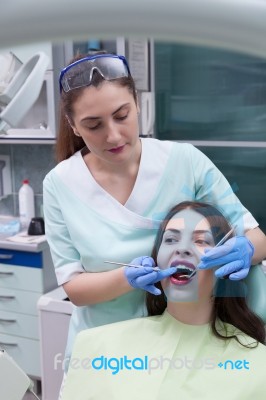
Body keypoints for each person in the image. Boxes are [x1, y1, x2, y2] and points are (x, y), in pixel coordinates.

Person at [43, 51, 266, 380]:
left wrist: (245, 249)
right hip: (107, 352)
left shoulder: (184, 162)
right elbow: (74, 287)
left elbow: (256, 237)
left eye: (123, 115)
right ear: (74, 125)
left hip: (184, 348)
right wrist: (126, 278)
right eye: (94, 125)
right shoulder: (60, 184)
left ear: (137, 103)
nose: (114, 135)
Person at [60, 201, 266, 400]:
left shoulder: (258, 365)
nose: (182, 249)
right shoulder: (99, 345)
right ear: (156, 258)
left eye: (201, 240)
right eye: (170, 240)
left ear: (226, 262)